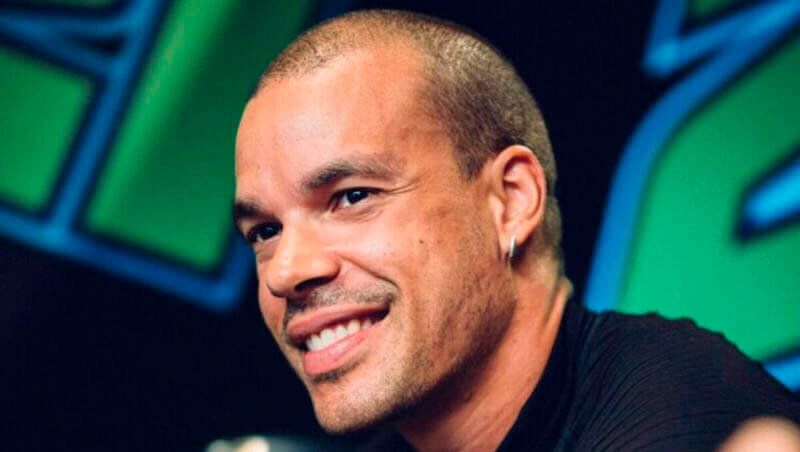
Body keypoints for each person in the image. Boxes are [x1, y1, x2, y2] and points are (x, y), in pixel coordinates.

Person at [232, 9, 800, 451]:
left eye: (353, 197)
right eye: (264, 232)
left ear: (511, 200)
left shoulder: (678, 420)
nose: (285, 271)